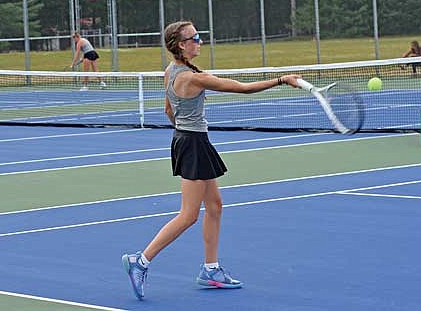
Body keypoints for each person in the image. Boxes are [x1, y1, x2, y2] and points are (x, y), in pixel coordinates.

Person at [121, 20, 302, 300]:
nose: (200, 41)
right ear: (182, 45)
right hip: (193, 144)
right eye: (195, 38)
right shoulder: (193, 78)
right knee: (189, 215)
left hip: (190, 140)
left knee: (215, 206)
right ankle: (140, 261)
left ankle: (210, 269)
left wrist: (185, 127)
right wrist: (281, 79)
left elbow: (168, 109)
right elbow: (242, 88)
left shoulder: (171, 71)